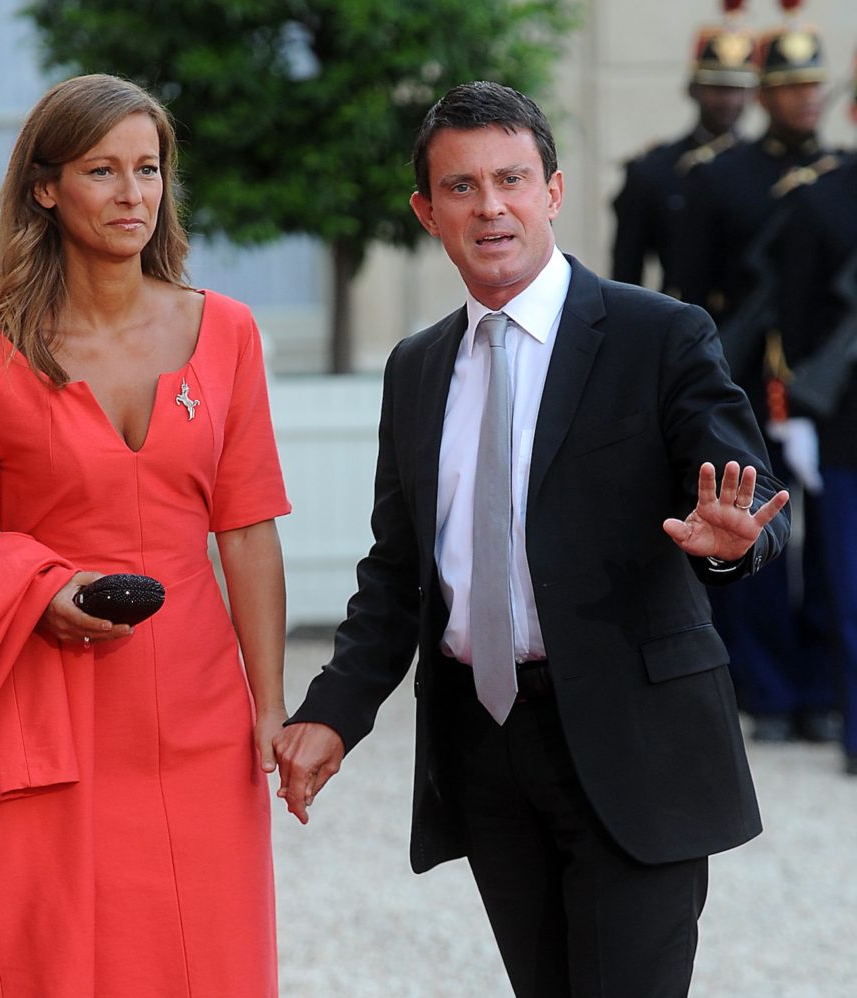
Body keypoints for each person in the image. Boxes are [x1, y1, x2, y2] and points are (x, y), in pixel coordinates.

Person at [273, 80, 790, 997]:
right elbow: (398, 574)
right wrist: (334, 710)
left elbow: (743, 506)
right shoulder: (417, 367)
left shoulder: (659, 335)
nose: (491, 206)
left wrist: (726, 544)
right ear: (426, 211)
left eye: (511, 179)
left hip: (634, 743)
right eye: (462, 187)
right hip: (486, 748)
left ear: (551, 190)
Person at [0, 74, 290, 996]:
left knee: (206, 950)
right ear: (46, 188)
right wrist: (38, 591)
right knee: (52, 954)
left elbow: (248, 530)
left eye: (150, 169)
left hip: (201, 705)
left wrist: (268, 704)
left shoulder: (229, 333)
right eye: (104, 170)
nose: (134, 195)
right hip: (50, 704)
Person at [676, 1, 839, 742]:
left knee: (836, 552)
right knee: (755, 533)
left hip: (830, 390)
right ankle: (767, 690)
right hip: (741, 381)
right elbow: (688, 293)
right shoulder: (722, 179)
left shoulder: (840, 177)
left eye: (814, 85)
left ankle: (823, 687)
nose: (805, 97)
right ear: (764, 93)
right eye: (789, 85)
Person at [775, 63, 857, 774]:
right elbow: (793, 325)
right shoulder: (824, 201)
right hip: (846, 435)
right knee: (849, 590)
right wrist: (793, 416)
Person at [611, 0, 758, 293]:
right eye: (717, 88)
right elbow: (626, 274)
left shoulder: (764, 169)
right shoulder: (654, 171)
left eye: (737, 90)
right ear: (693, 89)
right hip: (683, 320)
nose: (728, 101)